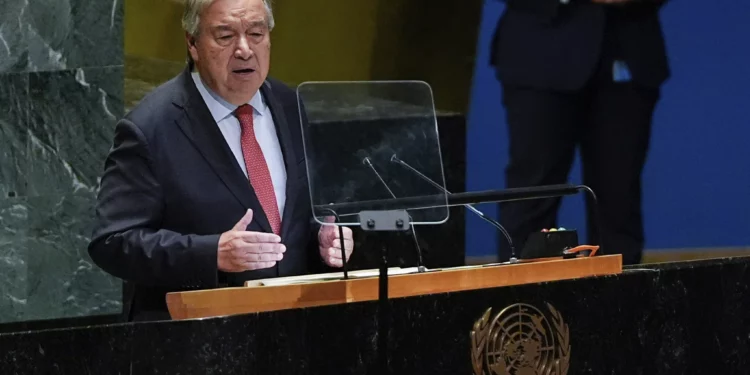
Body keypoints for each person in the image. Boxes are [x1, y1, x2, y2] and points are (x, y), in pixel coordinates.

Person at [88, 0, 354, 321]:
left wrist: (324, 235)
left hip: (291, 330)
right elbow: (112, 241)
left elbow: (302, 210)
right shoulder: (151, 128)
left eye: (256, 33)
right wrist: (212, 253)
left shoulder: (290, 105)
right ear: (193, 44)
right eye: (225, 36)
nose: (244, 49)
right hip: (194, 338)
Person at [491, 0, 670, 265]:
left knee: (619, 199)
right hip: (539, 52)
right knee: (532, 194)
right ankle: (523, 304)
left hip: (629, 52)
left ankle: (617, 304)